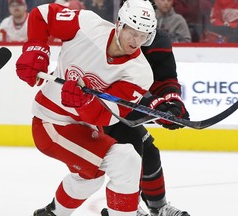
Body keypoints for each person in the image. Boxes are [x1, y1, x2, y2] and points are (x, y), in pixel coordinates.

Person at [14, 0, 185, 215]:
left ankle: (52, 213)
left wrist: (84, 102)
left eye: (143, 35)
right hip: (51, 122)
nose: (136, 40)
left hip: (84, 126)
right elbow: (42, 14)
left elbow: (106, 116)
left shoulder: (139, 72)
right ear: (119, 24)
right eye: (132, 31)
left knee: (90, 177)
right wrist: (36, 48)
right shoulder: (86, 25)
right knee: (126, 161)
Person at [101, 1, 191, 216]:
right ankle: (125, 210)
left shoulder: (158, 40)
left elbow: (165, 78)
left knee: (148, 152)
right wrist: (155, 105)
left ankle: (157, 208)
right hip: (98, 110)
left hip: (126, 108)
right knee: (132, 155)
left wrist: (173, 103)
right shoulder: (105, 36)